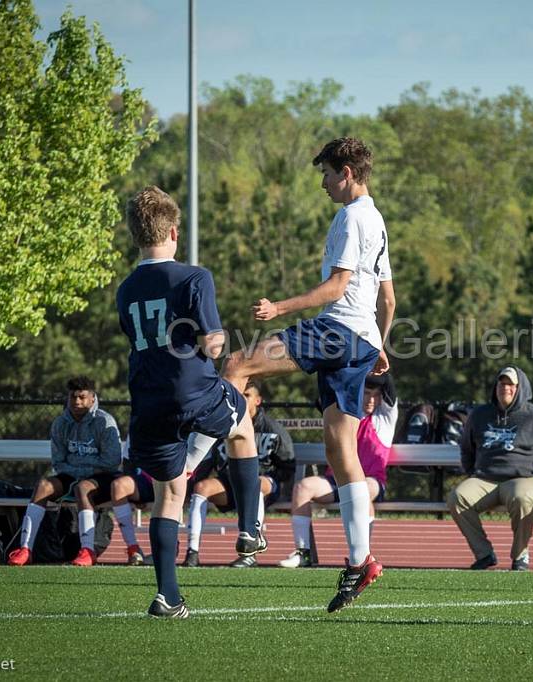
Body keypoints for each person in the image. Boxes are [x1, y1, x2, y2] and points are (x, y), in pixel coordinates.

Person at [222, 137, 396, 613]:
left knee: (237, 365)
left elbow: (338, 287)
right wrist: (379, 345)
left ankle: (245, 514)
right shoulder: (377, 220)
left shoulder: (350, 217)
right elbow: (389, 300)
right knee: (342, 453)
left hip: (336, 331)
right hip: (360, 341)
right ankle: (360, 563)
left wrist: (279, 307)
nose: (322, 183)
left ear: (345, 172)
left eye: (325, 174)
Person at [115, 186, 260, 619]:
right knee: (243, 426)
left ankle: (168, 596)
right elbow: (212, 345)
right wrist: (214, 337)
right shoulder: (195, 277)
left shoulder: (125, 288)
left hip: (147, 399)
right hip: (194, 392)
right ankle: (250, 529)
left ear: (136, 236)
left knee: (169, 493)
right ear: (174, 231)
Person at [448, 366, 533, 571]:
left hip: (525, 479)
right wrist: (471, 472)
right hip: (485, 479)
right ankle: (484, 554)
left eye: (511, 384)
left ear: (521, 388)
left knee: (521, 497)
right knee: (457, 497)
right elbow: (466, 448)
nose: (505, 388)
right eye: (502, 383)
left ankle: (520, 557)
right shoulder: (479, 415)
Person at [279, 372, 398, 568]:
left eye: (376, 395)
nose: (371, 399)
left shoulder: (383, 418)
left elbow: (389, 385)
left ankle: (363, 556)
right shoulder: (342, 413)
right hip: (337, 481)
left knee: (364, 489)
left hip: (372, 481)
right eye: (367, 393)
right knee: (303, 487)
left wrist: (376, 356)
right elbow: (326, 392)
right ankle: (303, 552)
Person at [7, 376, 122, 567]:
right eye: (72, 397)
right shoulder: (60, 423)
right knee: (43, 486)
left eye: (82, 397)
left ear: (92, 399)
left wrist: (81, 470)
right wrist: (76, 471)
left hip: (100, 478)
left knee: (83, 488)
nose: (77, 402)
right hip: (70, 476)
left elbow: (111, 462)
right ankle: (26, 549)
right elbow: (58, 463)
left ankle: (87, 551)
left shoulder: (105, 422)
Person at [183, 381, 295, 567]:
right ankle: (192, 552)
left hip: (265, 484)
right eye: (239, 394)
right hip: (230, 483)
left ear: (258, 400)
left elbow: (287, 465)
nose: (241, 398)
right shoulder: (224, 423)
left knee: (256, 482)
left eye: (247, 395)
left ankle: (250, 549)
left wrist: (280, 483)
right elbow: (209, 459)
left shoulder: (273, 428)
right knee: (201, 487)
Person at [109, 453, 156, 566]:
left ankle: (167, 549)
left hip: (172, 479)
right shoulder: (137, 435)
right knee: (118, 485)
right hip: (145, 480)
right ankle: (133, 548)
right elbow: (129, 462)